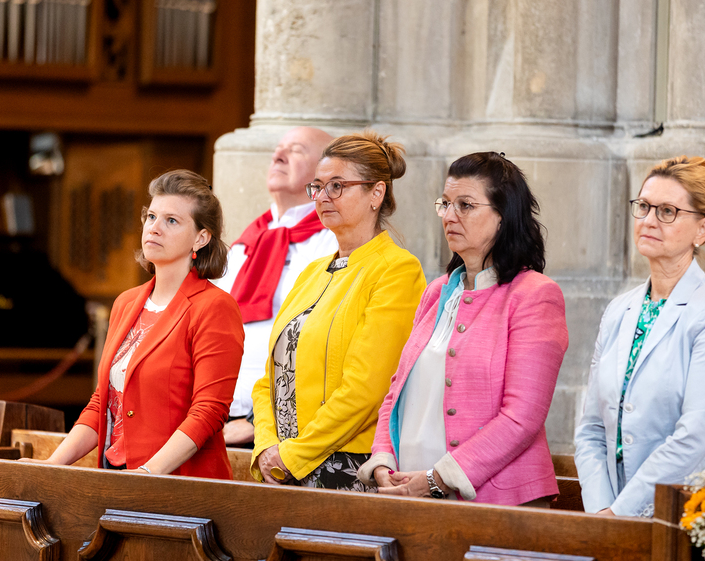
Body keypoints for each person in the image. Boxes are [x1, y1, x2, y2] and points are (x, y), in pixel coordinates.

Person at [357, 152, 568, 506]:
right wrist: (383, 462)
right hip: (409, 492)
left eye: (465, 205)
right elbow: (396, 390)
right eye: (445, 204)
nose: (449, 216)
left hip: (498, 504)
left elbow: (523, 416)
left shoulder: (534, 294)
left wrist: (437, 479)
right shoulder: (437, 291)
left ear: (503, 217)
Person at [25, 170, 244, 478]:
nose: (154, 228)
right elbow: (102, 402)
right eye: (151, 217)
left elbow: (209, 411)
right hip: (117, 476)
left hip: (180, 483)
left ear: (201, 238)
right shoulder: (126, 303)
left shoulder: (214, 307)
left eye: (171, 221)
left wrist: (148, 473)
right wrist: (52, 464)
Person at [250, 131, 426, 490]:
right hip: (281, 464)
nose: (323, 197)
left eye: (337, 186)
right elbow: (269, 376)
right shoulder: (312, 272)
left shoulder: (396, 270)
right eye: (317, 187)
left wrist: (294, 454)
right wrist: (266, 445)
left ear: (376, 193)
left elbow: (366, 390)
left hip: (344, 465)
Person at [574, 155, 705, 517]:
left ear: (702, 230)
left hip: (685, 514)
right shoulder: (618, 311)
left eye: (667, 211)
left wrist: (619, 514)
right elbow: (591, 429)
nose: (649, 220)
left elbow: (696, 436)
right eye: (644, 206)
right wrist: (601, 511)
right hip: (610, 514)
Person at [214, 127, 337, 446]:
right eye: (278, 149)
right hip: (215, 417)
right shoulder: (244, 243)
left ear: (326, 173)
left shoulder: (332, 243)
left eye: (296, 150)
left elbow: (322, 341)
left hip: (281, 426)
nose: (278, 156)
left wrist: (260, 421)